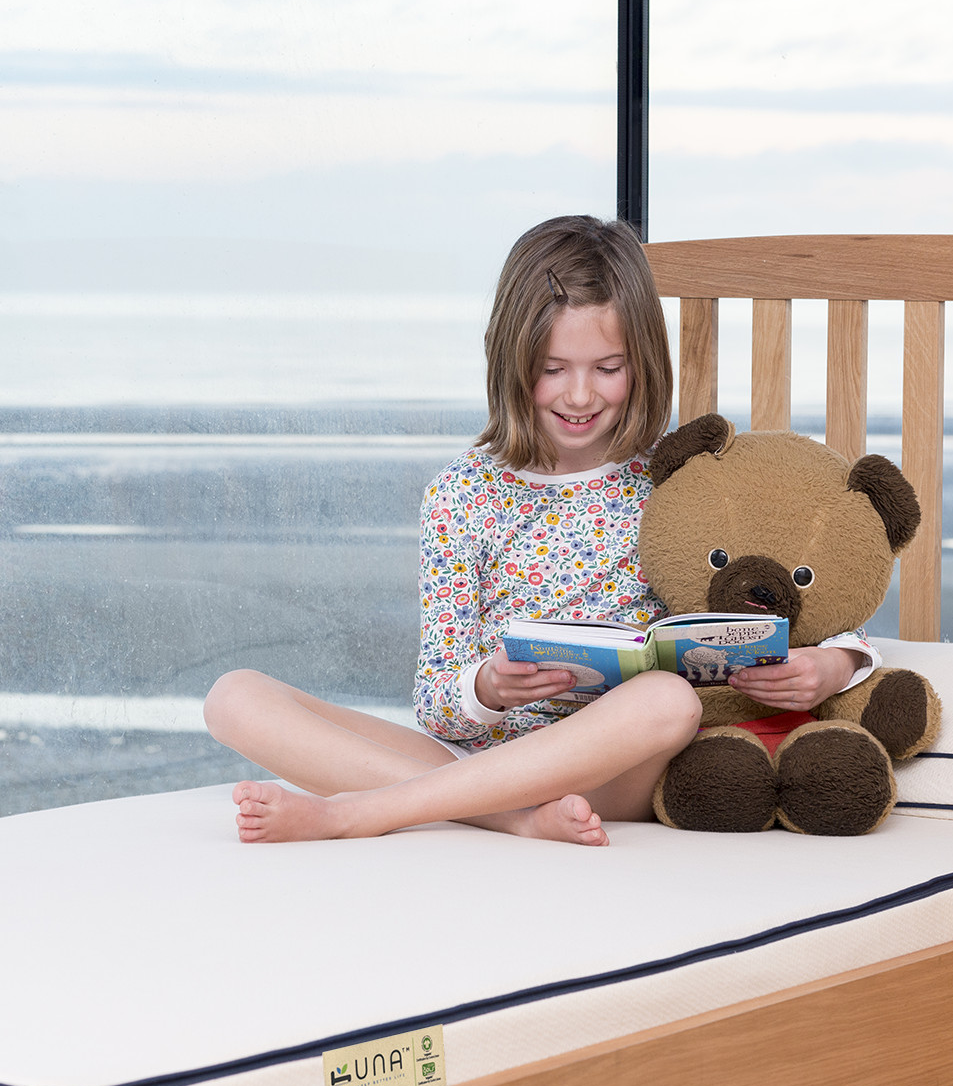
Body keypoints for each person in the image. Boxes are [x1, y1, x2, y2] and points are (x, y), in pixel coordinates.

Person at [203, 215, 877, 846]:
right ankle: (516, 820)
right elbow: (435, 704)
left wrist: (835, 664)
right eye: (552, 369)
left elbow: (813, 603)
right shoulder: (463, 493)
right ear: (510, 359)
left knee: (668, 701)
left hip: (615, 767)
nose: (579, 395)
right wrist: (489, 688)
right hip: (473, 760)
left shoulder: (680, 480)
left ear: (643, 362)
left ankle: (358, 813)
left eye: (607, 369)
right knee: (232, 698)